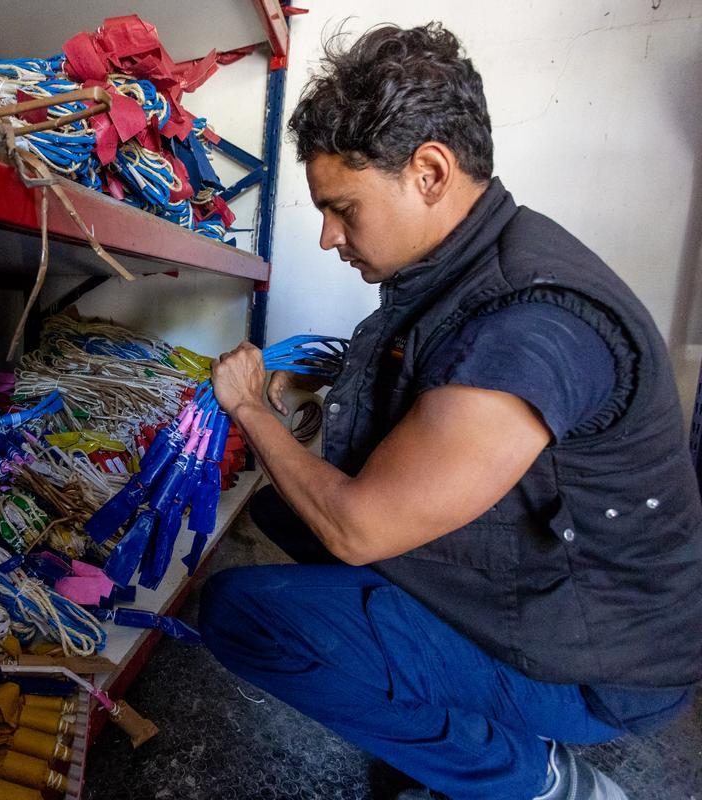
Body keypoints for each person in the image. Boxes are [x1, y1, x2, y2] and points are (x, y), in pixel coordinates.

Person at [201, 22, 702, 800]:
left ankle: (538, 778)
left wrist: (254, 410)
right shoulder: (475, 265)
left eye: (342, 208)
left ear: (430, 172)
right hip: (568, 605)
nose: (330, 236)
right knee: (286, 515)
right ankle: (459, 721)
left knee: (246, 612)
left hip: (605, 671)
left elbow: (360, 527)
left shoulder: (531, 326)